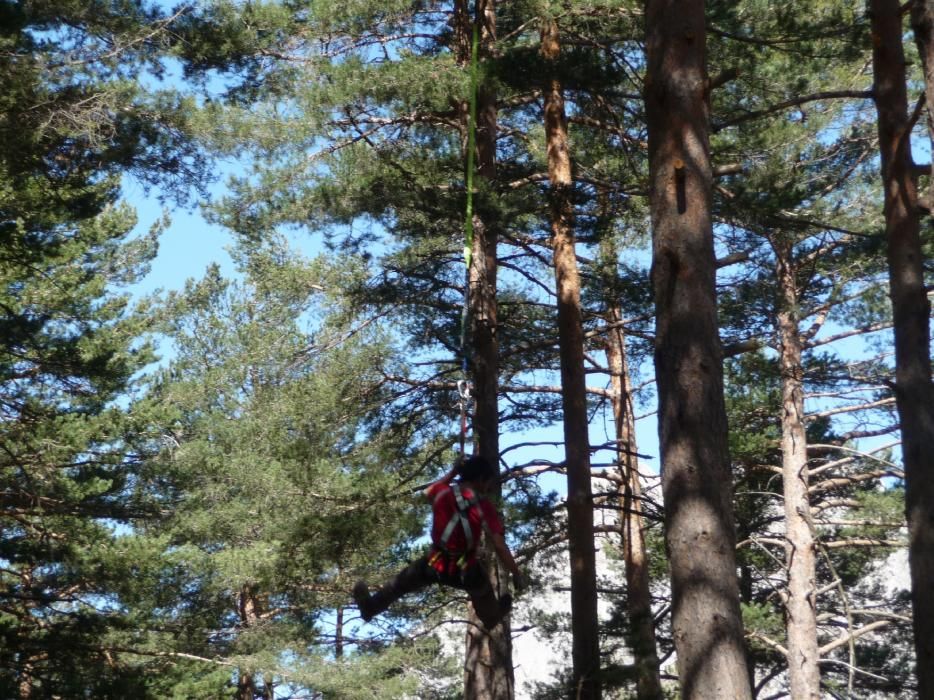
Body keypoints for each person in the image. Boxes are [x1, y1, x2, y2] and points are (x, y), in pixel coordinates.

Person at [352, 454, 525, 629]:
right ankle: (491, 618)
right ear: (481, 479)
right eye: (487, 482)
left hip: (435, 564)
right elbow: (499, 545)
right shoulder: (484, 506)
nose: (488, 487)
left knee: (399, 585)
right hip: (464, 568)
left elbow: (427, 492)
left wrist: (454, 471)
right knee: (483, 591)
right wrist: (516, 574)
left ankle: (370, 608)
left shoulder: (442, 492)